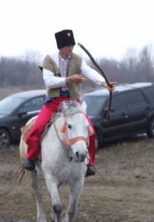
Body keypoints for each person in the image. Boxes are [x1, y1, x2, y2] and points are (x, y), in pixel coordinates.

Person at [24, 29, 116, 176]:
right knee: (38, 127)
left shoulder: (77, 59)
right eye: (68, 46)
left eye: (72, 46)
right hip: (54, 101)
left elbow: (89, 72)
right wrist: (68, 79)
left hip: (73, 101)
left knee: (90, 131)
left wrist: (105, 83)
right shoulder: (49, 60)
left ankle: (89, 164)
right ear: (60, 47)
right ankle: (31, 157)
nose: (71, 49)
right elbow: (49, 81)